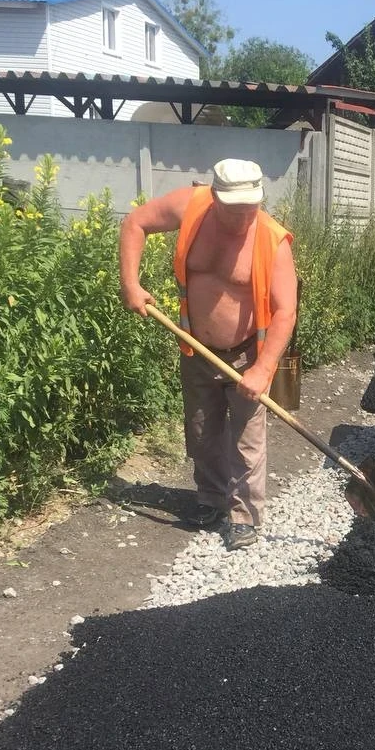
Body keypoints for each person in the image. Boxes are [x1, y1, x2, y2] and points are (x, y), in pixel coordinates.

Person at [119, 159, 298, 551]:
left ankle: (244, 516)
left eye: (248, 210)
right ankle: (212, 499)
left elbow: (286, 310)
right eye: (232, 210)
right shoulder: (192, 206)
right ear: (214, 197)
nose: (241, 219)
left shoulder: (271, 239)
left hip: (248, 355)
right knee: (201, 431)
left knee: (246, 441)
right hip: (195, 347)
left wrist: (264, 368)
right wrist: (130, 284)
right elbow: (135, 223)